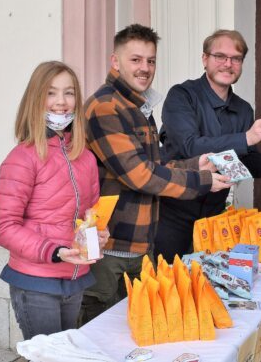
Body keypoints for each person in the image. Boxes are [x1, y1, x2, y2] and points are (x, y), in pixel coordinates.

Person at [80, 24, 231, 323]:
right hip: (110, 250)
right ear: (115, 61)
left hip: (139, 248)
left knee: (136, 339)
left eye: (150, 60)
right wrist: (202, 181)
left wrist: (195, 164)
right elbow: (140, 175)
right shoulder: (106, 107)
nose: (145, 68)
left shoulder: (137, 106)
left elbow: (155, 165)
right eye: (135, 59)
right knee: (101, 345)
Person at [0, 61, 109, 340]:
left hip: (76, 280)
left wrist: (97, 236)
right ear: (36, 99)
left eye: (69, 93)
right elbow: (2, 226)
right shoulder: (22, 158)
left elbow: (91, 215)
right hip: (35, 283)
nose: (61, 102)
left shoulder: (86, 157)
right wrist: (53, 251)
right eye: (51, 93)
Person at [157, 29, 261, 262]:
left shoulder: (243, 109)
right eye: (220, 56)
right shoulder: (182, 95)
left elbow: (242, 163)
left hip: (214, 218)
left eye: (236, 58)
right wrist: (246, 138)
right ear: (205, 59)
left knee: (210, 289)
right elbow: (190, 146)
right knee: (168, 285)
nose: (228, 64)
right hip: (172, 212)